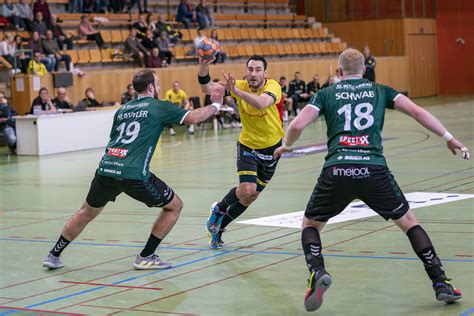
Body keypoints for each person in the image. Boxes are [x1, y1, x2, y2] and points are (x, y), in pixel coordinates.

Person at [273, 48, 469, 312]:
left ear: (339, 72)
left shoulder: (327, 93)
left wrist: (286, 146)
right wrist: (450, 138)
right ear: (364, 70)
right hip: (373, 169)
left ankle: (317, 271)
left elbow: (296, 126)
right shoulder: (380, 90)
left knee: (311, 224)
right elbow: (417, 112)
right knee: (409, 222)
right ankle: (441, 282)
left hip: (337, 169)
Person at [42, 68, 225, 270]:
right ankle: (146, 256)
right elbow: (194, 117)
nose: (159, 85)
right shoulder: (157, 106)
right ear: (150, 87)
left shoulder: (122, 109)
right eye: (157, 82)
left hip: (107, 169)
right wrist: (216, 104)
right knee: (175, 206)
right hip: (133, 173)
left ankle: (53, 255)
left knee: (86, 212)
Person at [198, 55, 284, 248]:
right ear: (246, 72)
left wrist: (235, 90)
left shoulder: (273, 87)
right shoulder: (238, 85)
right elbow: (207, 88)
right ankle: (219, 210)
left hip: (272, 149)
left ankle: (219, 228)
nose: (254, 74)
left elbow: (261, 103)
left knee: (251, 197)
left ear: (265, 73)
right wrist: (203, 66)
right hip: (248, 145)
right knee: (247, 189)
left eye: (258, 69)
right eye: (250, 69)